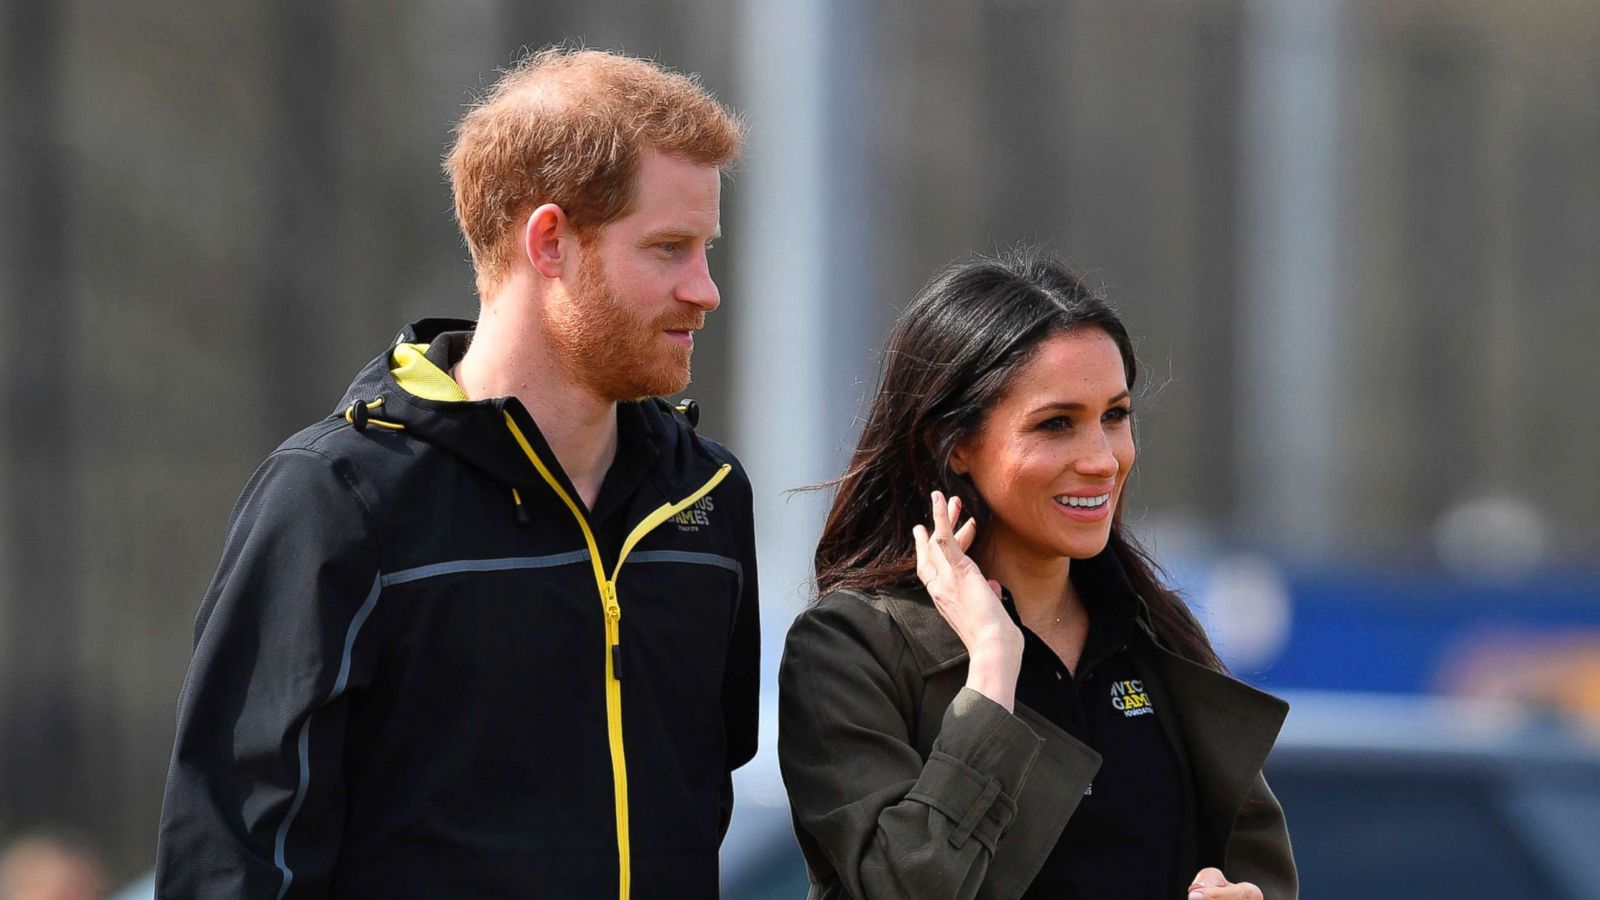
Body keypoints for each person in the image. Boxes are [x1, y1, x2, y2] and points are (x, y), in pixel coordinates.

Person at [156, 48, 759, 899]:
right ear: (550, 241)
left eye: (706, 248)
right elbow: (234, 863)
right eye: (668, 248)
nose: (706, 290)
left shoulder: (705, 500)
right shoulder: (337, 500)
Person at [778, 251, 1295, 900]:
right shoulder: (850, 651)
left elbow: (1256, 871)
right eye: (1057, 424)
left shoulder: (1156, 632)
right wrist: (994, 667)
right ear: (955, 444)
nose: (1102, 459)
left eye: (1115, 416)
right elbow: (904, 890)